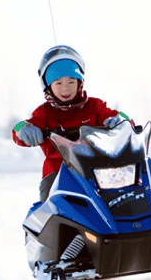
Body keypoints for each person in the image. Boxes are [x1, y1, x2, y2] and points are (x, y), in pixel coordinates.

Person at [12, 45, 129, 203]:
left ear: (80, 82)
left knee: (125, 193)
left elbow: (120, 117)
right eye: (58, 83)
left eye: (71, 81)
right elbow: (20, 128)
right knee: (51, 201)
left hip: (99, 170)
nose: (65, 88)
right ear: (48, 86)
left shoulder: (94, 106)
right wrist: (22, 131)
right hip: (58, 173)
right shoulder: (44, 113)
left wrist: (121, 120)